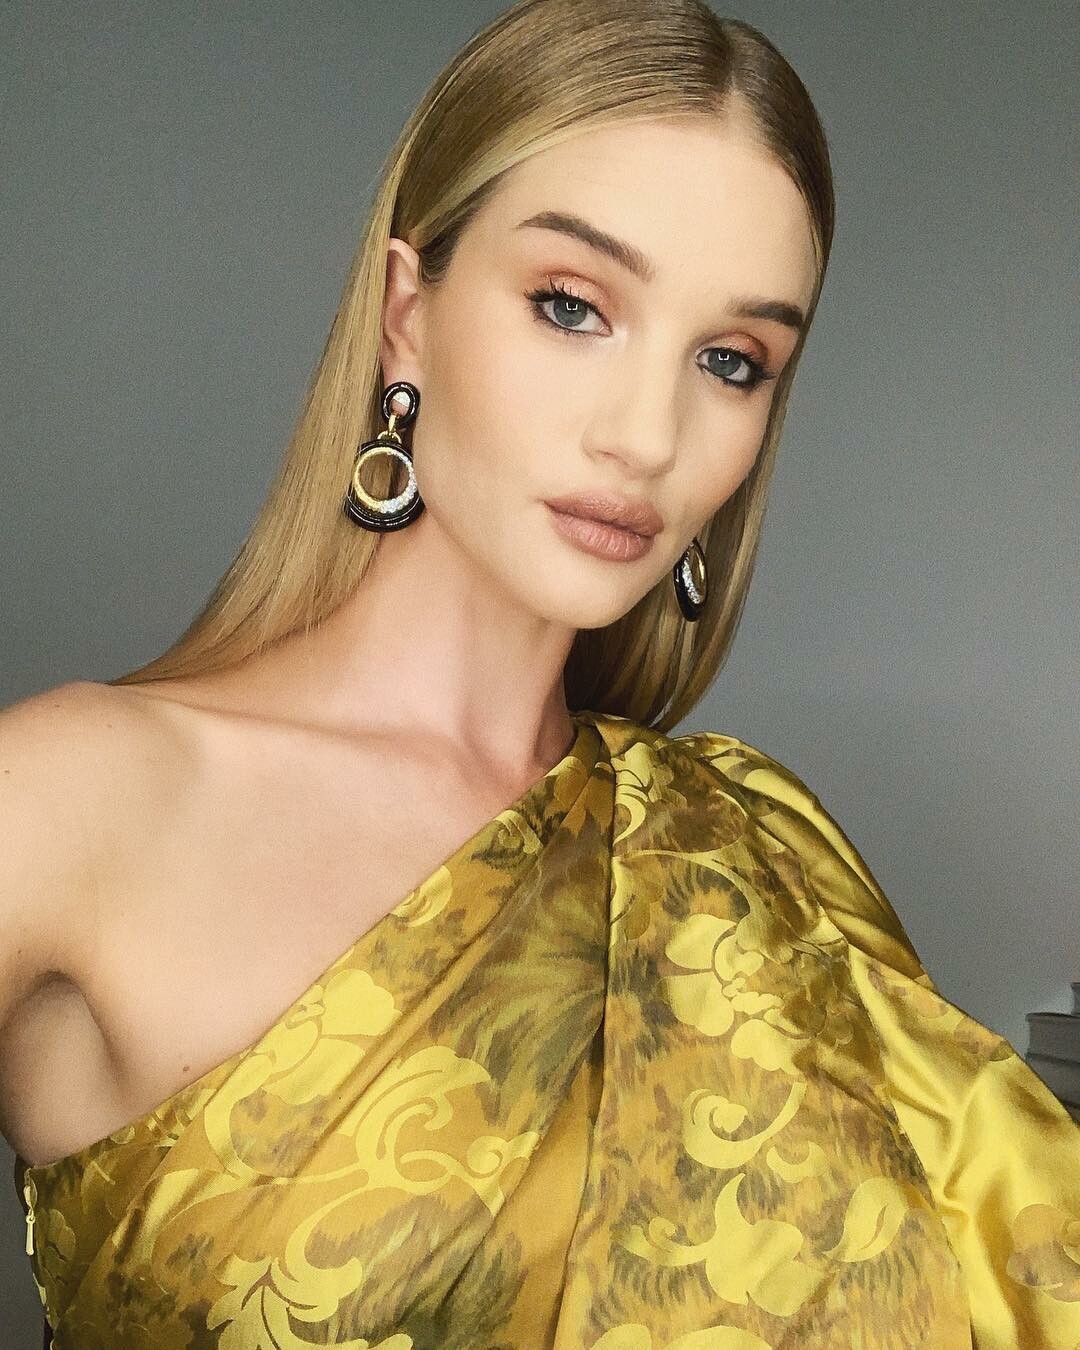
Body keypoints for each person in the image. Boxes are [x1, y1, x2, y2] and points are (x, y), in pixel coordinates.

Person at [2, 0, 1077, 1345]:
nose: (647, 435)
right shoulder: (73, 799)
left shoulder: (752, 854)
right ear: (407, 315)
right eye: (573, 306)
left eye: (731, 362)